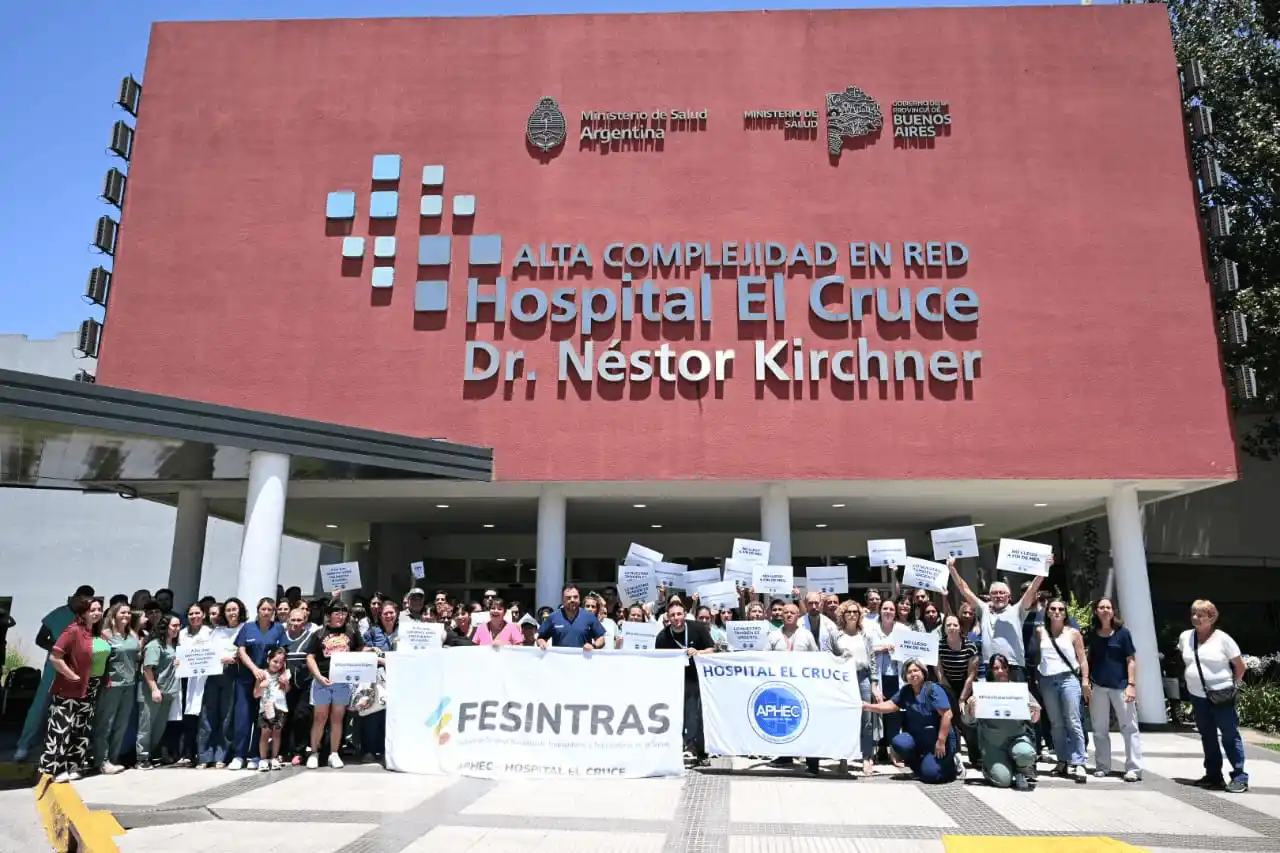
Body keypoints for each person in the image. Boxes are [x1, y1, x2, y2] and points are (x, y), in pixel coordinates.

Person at [16, 584, 95, 763]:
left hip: (78, 669)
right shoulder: (57, 614)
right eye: (81, 600)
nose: (83, 604)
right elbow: (40, 639)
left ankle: (61, 748)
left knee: (69, 709)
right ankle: (24, 745)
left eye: (87, 601)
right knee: (41, 705)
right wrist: (58, 650)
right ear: (74, 597)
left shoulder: (87, 618)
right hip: (55, 667)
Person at [1179, 599, 1248, 793]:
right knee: (1207, 735)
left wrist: (1234, 685)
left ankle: (1239, 775)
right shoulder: (1186, 637)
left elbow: (1240, 666)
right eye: (1193, 613)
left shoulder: (1222, 638)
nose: (1195, 618)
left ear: (1212, 617)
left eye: (1200, 615)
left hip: (1222, 694)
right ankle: (1213, 775)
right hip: (1198, 696)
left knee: (1229, 734)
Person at [948, 555, 1049, 681]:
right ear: (990, 596)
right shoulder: (984, 610)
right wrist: (952, 568)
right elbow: (964, 589)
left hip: (1014, 666)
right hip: (991, 666)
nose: (998, 596)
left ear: (1009, 596)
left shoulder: (1018, 610)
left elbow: (1032, 589)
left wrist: (1045, 568)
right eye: (994, 593)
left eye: (1002, 593)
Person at [862, 658, 959, 784]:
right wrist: (867, 706)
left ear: (923, 672)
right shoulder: (906, 691)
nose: (913, 674)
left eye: (916, 670)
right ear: (905, 676)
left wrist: (941, 741)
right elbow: (890, 705)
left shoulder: (933, 689)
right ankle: (920, 767)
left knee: (932, 777)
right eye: (909, 672)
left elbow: (947, 714)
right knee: (899, 742)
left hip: (940, 740)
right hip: (919, 739)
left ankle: (953, 765)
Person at [39, 595, 102, 782]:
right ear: (83, 613)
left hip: (89, 688)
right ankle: (53, 769)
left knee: (80, 729)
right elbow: (55, 657)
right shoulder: (73, 630)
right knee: (61, 729)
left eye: (99, 609)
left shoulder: (96, 633)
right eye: (93, 610)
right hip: (69, 687)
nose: (97, 613)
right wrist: (72, 675)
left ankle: (74, 766)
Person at [963, 654, 1040, 791]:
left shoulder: (1019, 690)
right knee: (1003, 781)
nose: (1000, 672)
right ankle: (988, 767)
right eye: (996, 668)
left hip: (1017, 738)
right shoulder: (983, 691)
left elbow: (1034, 719)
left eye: (1003, 668)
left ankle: (1021, 771)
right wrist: (970, 708)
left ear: (1008, 669)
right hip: (994, 744)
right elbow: (969, 722)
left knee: (1025, 753)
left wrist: (1035, 712)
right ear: (990, 670)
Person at [1087, 597, 1143, 781]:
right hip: (1098, 687)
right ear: (1096, 611)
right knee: (1099, 729)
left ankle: (1134, 768)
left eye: (1108, 607)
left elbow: (1131, 660)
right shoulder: (1092, 634)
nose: (1105, 610)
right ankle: (1103, 766)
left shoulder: (1123, 633)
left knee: (1129, 728)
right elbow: (1089, 660)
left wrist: (1131, 685)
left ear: (1113, 611)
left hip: (1121, 687)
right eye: (1101, 607)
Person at [653, 599, 715, 765]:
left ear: (685, 614)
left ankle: (701, 753)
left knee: (697, 716)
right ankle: (676, 751)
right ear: (668, 618)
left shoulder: (697, 628)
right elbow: (659, 662)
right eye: (672, 615)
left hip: (696, 679)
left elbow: (712, 649)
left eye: (679, 614)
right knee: (674, 717)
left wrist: (699, 652)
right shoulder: (662, 637)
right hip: (674, 682)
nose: (676, 618)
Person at [305, 599, 364, 769]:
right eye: (336, 613)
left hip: (343, 682)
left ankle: (334, 753)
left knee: (337, 718)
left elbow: (360, 650)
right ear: (329, 615)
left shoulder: (351, 632)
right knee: (320, 718)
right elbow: (310, 656)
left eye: (343, 613)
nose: (340, 616)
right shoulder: (319, 633)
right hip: (322, 680)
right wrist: (317, 676)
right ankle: (314, 752)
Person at [231, 598, 288, 770]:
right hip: (247, 678)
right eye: (263, 609)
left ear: (274, 612)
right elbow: (241, 650)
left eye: (270, 609)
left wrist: (283, 673)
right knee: (242, 717)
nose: (267, 612)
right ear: (258, 610)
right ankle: (238, 755)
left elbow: (283, 652)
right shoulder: (248, 627)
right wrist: (255, 669)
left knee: (263, 718)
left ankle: (255, 755)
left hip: (268, 682)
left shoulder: (278, 628)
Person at [1037, 597, 1089, 782]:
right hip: (1047, 680)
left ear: (1065, 613)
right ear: (1048, 612)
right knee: (1056, 723)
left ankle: (1080, 762)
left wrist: (1085, 680)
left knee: (1073, 720)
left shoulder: (1073, 633)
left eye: (1060, 609)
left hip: (1069, 679)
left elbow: (1082, 659)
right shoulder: (1040, 631)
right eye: (1053, 608)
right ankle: (1062, 760)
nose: (1057, 611)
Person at [833, 601, 879, 776]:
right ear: (843, 615)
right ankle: (843, 758)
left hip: (863, 677)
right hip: (843, 679)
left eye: (855, 612)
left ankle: (867, 758)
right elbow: (829, 657)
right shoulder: (836, 636)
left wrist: (874, 683)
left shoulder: (865, 636)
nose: (852, 615)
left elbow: (872, 660)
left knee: (866, 719)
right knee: (844, 718)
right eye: (848, 612)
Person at [94, 602, 139, 775]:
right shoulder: (106, 635)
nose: (126, 616)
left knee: (121, 724)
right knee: (106, 723)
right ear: (113, 615)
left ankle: (113, 758)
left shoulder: (132, 634)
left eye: (128, 613)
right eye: (122, 613)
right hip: (111, 684)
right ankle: (101, 760)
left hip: (129, 684)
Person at [200, 598, 244, 769]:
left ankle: (221, 755)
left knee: (227, 717)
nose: (232, 613)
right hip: (213, 675)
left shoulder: (244, 628)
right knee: (208, 716)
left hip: (232, 674)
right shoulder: (216, 631)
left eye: (235, 609)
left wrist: (235, 658)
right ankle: (204, 756)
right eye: (228, 610)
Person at [863, 598, 908, 766]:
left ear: (895, 612)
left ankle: (894, 752)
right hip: (877, 678)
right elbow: (866, 650)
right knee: (877, 714)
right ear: (880, 611)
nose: (888, 611)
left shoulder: (903, 629)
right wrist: (883, 648)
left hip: (897, 678)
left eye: (891, 609)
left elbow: (911, 650)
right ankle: (878, 751)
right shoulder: (871, 630)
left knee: (895, 714)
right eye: (885, 609)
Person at [136, 615, 181, 769]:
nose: (176, 629)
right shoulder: (155, 646)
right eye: (173, 626)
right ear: (165, 626)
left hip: (169, 692)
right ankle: (141, 758)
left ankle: (149, 754)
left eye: (178, 626)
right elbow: (147, 669)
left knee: (159, 727)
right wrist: (154, 689)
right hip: (153, 692)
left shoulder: (175, 645)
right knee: (146, 726)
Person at [938, 614, 981, 765]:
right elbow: (940, 673)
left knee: (968, 722)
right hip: (946, 686)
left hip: (966, 687)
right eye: (948, 625)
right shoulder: (940, 645)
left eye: (955, 625)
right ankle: (954, 757)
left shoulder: (970, 646)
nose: (951, 628)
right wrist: (951, 696)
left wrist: (962, 698)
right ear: (944, 627)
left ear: (960, 627)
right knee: (951, 721)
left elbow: (971, 675)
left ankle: (976, 758)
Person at [177, 602, 212, 767]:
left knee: (202, 718)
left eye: (197, 613)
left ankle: (202, 753)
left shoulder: (210, 633)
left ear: (203, 615)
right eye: (191, 614)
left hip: (204, 680)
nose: (194, 617)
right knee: (187, 717)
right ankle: (187, 753)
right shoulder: (182, 634)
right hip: (186, 679)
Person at [282, 607, 319, 764]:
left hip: (305, 684)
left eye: (299, 620)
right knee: (284, 717)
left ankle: (299, 751)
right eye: (293, 620)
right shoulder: (282, 637)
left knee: (301, 716)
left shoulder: (311, 637)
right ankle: (283, 751)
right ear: (288, 620)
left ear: (305, 622)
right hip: (284, 684)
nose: (296, 623)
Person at [253, 647, 291, 771]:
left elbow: (287, 690)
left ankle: (274, 758)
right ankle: (263, 759)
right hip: (265, 708)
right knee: (265, 733)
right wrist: (262, 687)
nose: (278, 665)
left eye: (281, 662)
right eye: (275, 661)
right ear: (268, 659)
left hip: (280, 708)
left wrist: (285, 683)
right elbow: (256, 694)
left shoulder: (285, 674)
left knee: (277, 733)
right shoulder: (262, 674)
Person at [536, 585, 606, 650]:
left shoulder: (589, 617)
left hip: (583, 661)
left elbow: (601, 639)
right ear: (562, 599)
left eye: (575, 597)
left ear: (579, 598)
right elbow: (540, 638)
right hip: (559, 661)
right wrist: (541, 642)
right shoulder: (553, 617)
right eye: (568, 597)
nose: (572, 600)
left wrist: (593, 646)